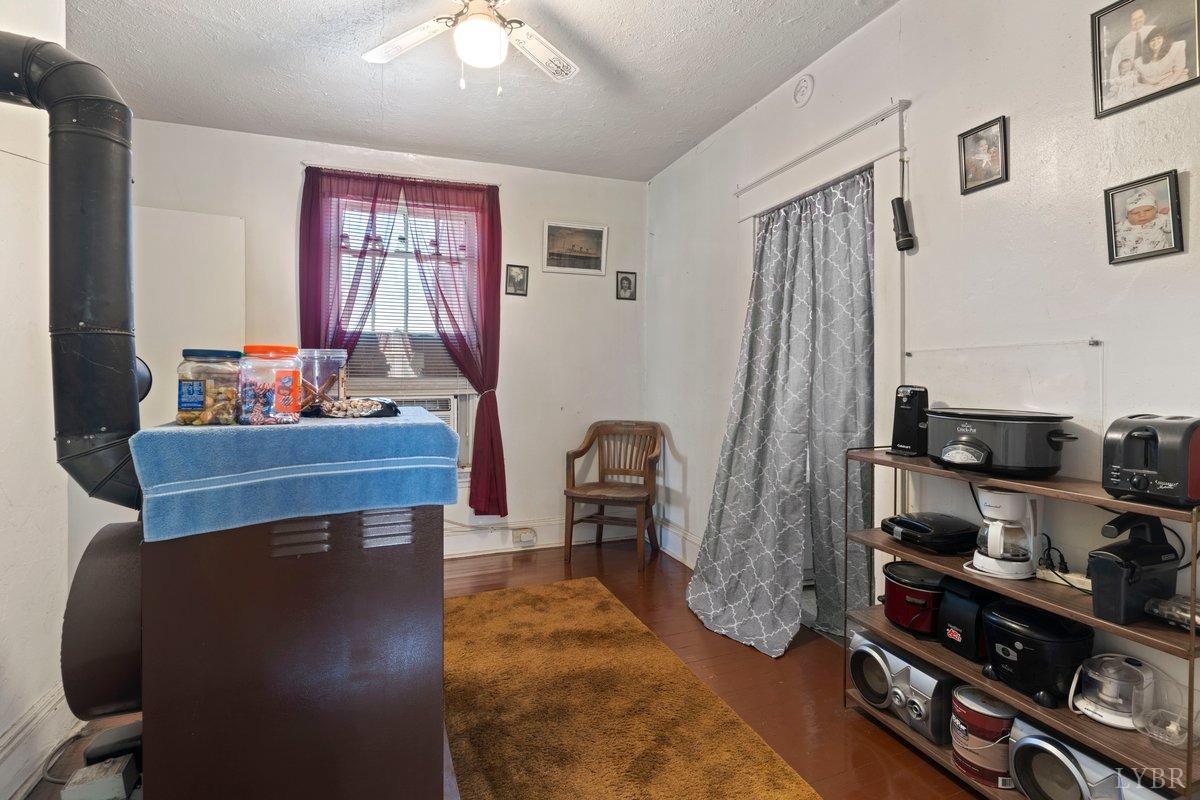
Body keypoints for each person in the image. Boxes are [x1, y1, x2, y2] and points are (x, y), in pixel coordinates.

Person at [1114, 187, 1174, 257]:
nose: (1142, 215)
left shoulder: (1159, 218)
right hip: (1132, 260)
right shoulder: (1122, 226)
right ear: (1127, 216)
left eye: (1147, 210)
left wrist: (1168, 213)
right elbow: (1112, 242)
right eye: (1135, 213)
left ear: (1155, 211)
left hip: (1160, 255)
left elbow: (1172, 227)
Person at [1135, 26, 1190, 91]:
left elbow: (1179, 69)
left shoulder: (1175, 48)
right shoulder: (1139, 61)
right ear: (1147, 44)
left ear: (1164, 38)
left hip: (1173, 79)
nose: (1156, 42)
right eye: (1152, 40)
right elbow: (1144, 80)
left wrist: (1167, 84)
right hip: (1152, 86)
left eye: (1159, 38)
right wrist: (1155, 84)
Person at [1109, 7, 1152, 82]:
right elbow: (1114, 69)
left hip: (1153, 72)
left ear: (1145, 17)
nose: (1137, 21)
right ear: (1129, 22)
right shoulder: (1122, 43)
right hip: (1132, 80)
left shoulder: (1153, 31)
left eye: (1140, 17)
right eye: (1134, 19)